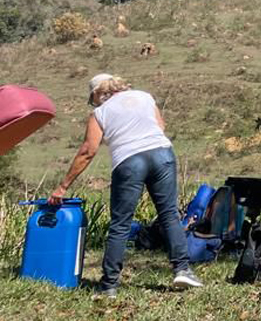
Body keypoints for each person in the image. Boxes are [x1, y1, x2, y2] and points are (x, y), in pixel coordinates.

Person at [48, 74, 202, 296]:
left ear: (98, 94)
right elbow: (161, 126)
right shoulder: (144, 96)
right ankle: (183, 270)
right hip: (161, 153)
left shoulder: (100, 113)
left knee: (120, 224)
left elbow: (88, 151)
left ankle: (109, 285)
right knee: (169, 214)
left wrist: (63, 187)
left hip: (129, 161)